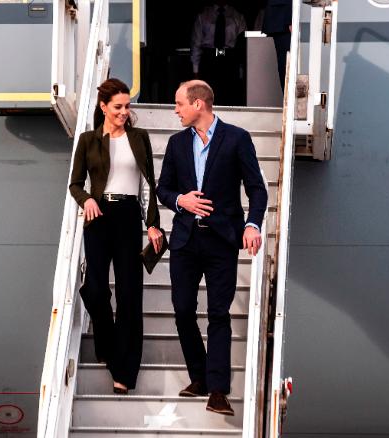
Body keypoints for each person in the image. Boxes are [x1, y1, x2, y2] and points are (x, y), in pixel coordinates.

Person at [156, 80, 268, 415]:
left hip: (222, 241)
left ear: (198, 104)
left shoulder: (237, 138)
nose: (175, 110)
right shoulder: (177, 144)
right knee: (182, 310)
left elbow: (257, 190)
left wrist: (252, 224)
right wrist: (181, 200)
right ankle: (199, 376)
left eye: (179, 104)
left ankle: (218, 390)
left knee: (218, 314)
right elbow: (163, 189)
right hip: (185, 241)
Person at [68, 78, 163, 395]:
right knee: (94, 289)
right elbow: (75, 184)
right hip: (97, 217)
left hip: (127, 217)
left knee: (129, 295)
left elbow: (149, 183)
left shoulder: (140, 138)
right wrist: (87, 200)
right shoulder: (88, 140)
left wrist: (152, 223)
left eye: (127, 106)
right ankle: (107, 344)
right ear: (104, 106)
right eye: (118, 107)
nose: (124, 112)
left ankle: (125, 371)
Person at [190, 0, 247, 106]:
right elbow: (196, 44)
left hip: (229, 59)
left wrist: (242, 70)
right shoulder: (203, 15)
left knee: (229, 96)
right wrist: (195, 70)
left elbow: (243, 45)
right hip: (209, 59)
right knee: (208, 96)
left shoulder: (237, 16)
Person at [262, 0, 292, 90]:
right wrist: (290, 18)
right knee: (286, 63)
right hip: (282, 18)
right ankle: (288, 100)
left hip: (287, 15)